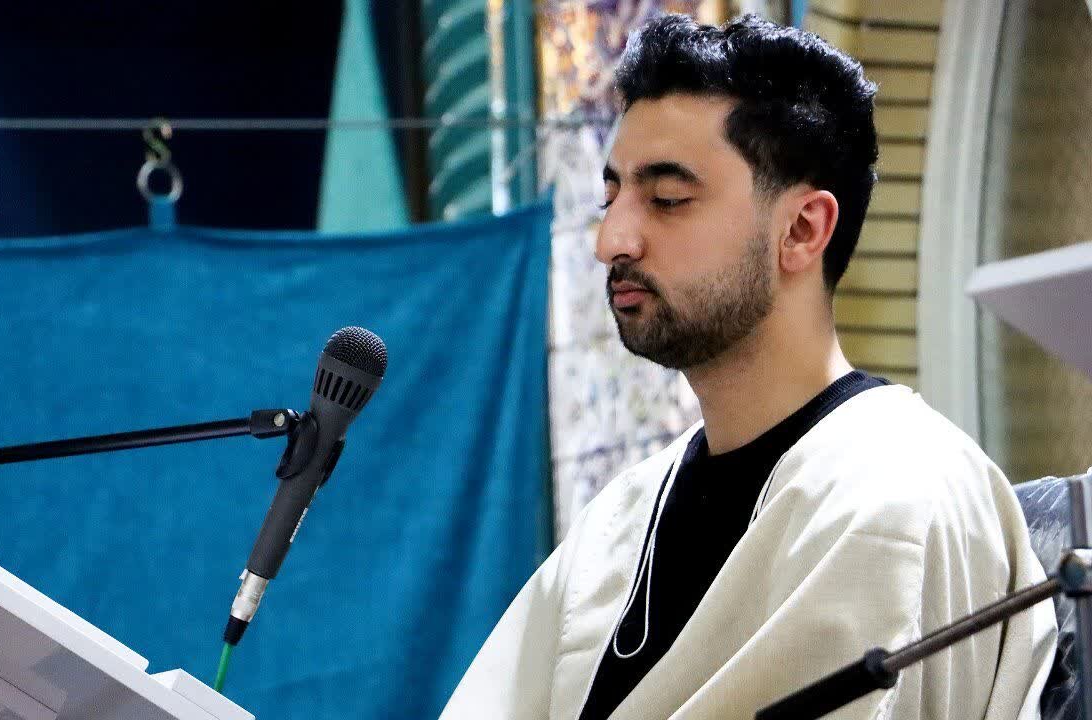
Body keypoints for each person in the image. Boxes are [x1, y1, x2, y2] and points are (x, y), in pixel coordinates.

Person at [440, 13, 1057, 720]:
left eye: (667, 199)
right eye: (610, 199)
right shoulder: (621, 518)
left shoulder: (900, 494)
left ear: (802, 229)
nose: (612, 239)